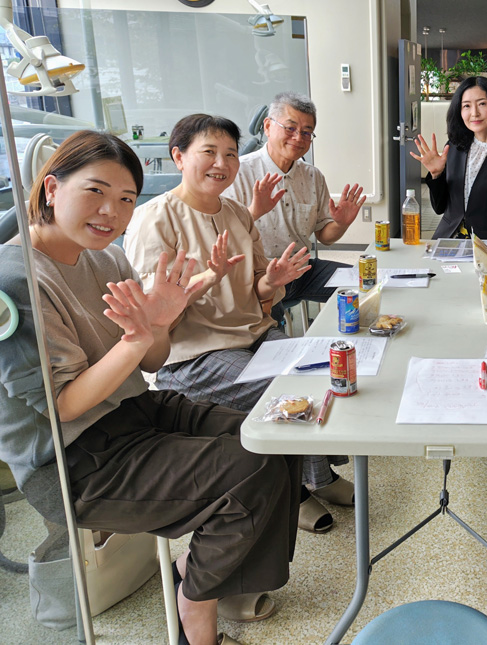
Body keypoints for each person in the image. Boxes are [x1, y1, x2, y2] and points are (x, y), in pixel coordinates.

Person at [0, 131, 301, 645]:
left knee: (274, 435)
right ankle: (196, 604)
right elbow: (64, 405)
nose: (111, 212)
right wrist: (138, 336)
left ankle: (214, 575)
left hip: (135, 410)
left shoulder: (106, 259)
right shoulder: (15, 281)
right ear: (51, 188)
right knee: (249, 470)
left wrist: (158, 325)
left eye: (125, 199)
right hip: (72, 459)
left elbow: (153, 359)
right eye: (95, 191)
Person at [124, 114, 350, 535]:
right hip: (194, 355)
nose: (222, 163)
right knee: (284, 391)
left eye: (230, 154)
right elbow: (155, 312)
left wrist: (273, 280)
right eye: (208, 152)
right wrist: (208, 277)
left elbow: (258, 287)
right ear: (178, 157)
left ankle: (320, 476)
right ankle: (297, 491)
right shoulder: (154, 218)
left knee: (322, 371)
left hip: (253, 334)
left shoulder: (236, 214)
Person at [224, 91, 366, 322]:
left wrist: (341, 224)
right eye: (290, 128)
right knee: (270, 332)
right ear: (268, 126)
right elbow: (223, 236)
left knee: (367, 283)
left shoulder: (312, 176)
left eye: (307, 132)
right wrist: (254, 212)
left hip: (303, 271)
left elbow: (325, 237)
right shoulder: (240, 172)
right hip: (259, 277)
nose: (298, 137)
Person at [410, 76, 487, 241]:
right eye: (466, 106)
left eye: (482, 104)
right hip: (449, 238)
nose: (474, 113)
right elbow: (439, 208)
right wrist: (437, 175)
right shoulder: (454, 146)